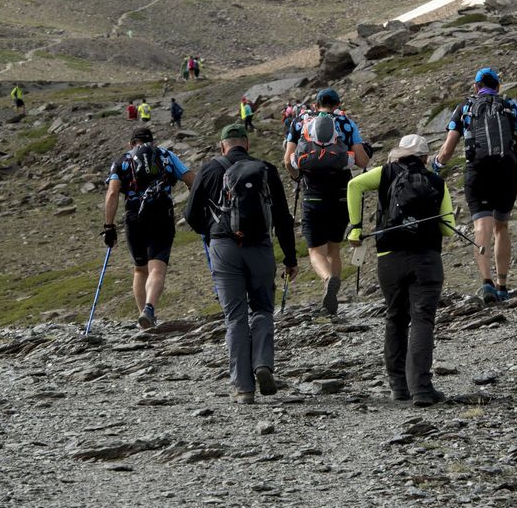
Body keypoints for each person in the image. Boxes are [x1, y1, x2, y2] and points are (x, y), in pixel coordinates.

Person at [184, 123, 298, 403]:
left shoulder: (209, 169)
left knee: (235, 317)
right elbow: (283, 218)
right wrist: (290, 258)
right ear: (247, 144)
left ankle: (243, 388)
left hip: (224, 248)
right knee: (263, 309)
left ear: (222, 146)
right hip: (260, 247)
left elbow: (190, 214)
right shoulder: (266, 169)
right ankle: (262, 363)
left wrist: (211, 231)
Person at [346, 134, 454, 405]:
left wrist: (356, 227)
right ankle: (421, 389)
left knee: (395, 317)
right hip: (427, 259)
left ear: (400, 154)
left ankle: (399, 387)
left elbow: (354, 186)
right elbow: (447, 229)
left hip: (389, 256)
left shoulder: (386, 172)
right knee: (422, 319)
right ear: (425, 158)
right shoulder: (436, 182)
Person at [432, 67, 517, 303]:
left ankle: (487, 283)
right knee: (501, 227)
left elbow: (448, 148)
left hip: (478, 171)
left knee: (481, 225)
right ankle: (503, 285)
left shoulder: (465, 107)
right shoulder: (511, 106)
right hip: (506, 171)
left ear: (476, 86)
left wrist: (437, 163)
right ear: (498, 87)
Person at [284, 88, 369, 316]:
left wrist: (297, 177)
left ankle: (328, 279)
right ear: (337, 104)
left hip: (313, 194)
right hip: (341, 194)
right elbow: (362, 161)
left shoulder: (300, 122)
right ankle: (333, 298)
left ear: (315, 104)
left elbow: (288, 161)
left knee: (315, 250)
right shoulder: (346, 123)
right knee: (334, 248)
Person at [103, 127, 194, 329]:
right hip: (162, 215)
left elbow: (113, 192)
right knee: (157, 268)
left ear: (131, 143)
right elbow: (191, 179)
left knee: (140, 269)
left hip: (134, 217)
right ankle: (149, 309)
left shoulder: (122, 160)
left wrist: (109, 226)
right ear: (152, 141)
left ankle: (142, 317)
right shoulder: (166, 156)